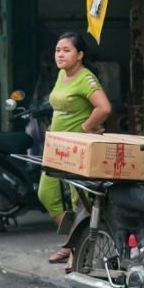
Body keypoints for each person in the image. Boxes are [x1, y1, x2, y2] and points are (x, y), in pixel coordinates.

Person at [38, 32, 111, 268]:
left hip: (77, 150)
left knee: (78, 201)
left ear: (80, 55)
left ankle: (77, 251)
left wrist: (86, 126)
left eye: (66, 50)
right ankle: (71, 242)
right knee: (46, 194)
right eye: (58, 50)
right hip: (56, 147)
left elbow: (104, 107)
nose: (60, 54)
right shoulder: (62, 75)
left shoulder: (86, 79)